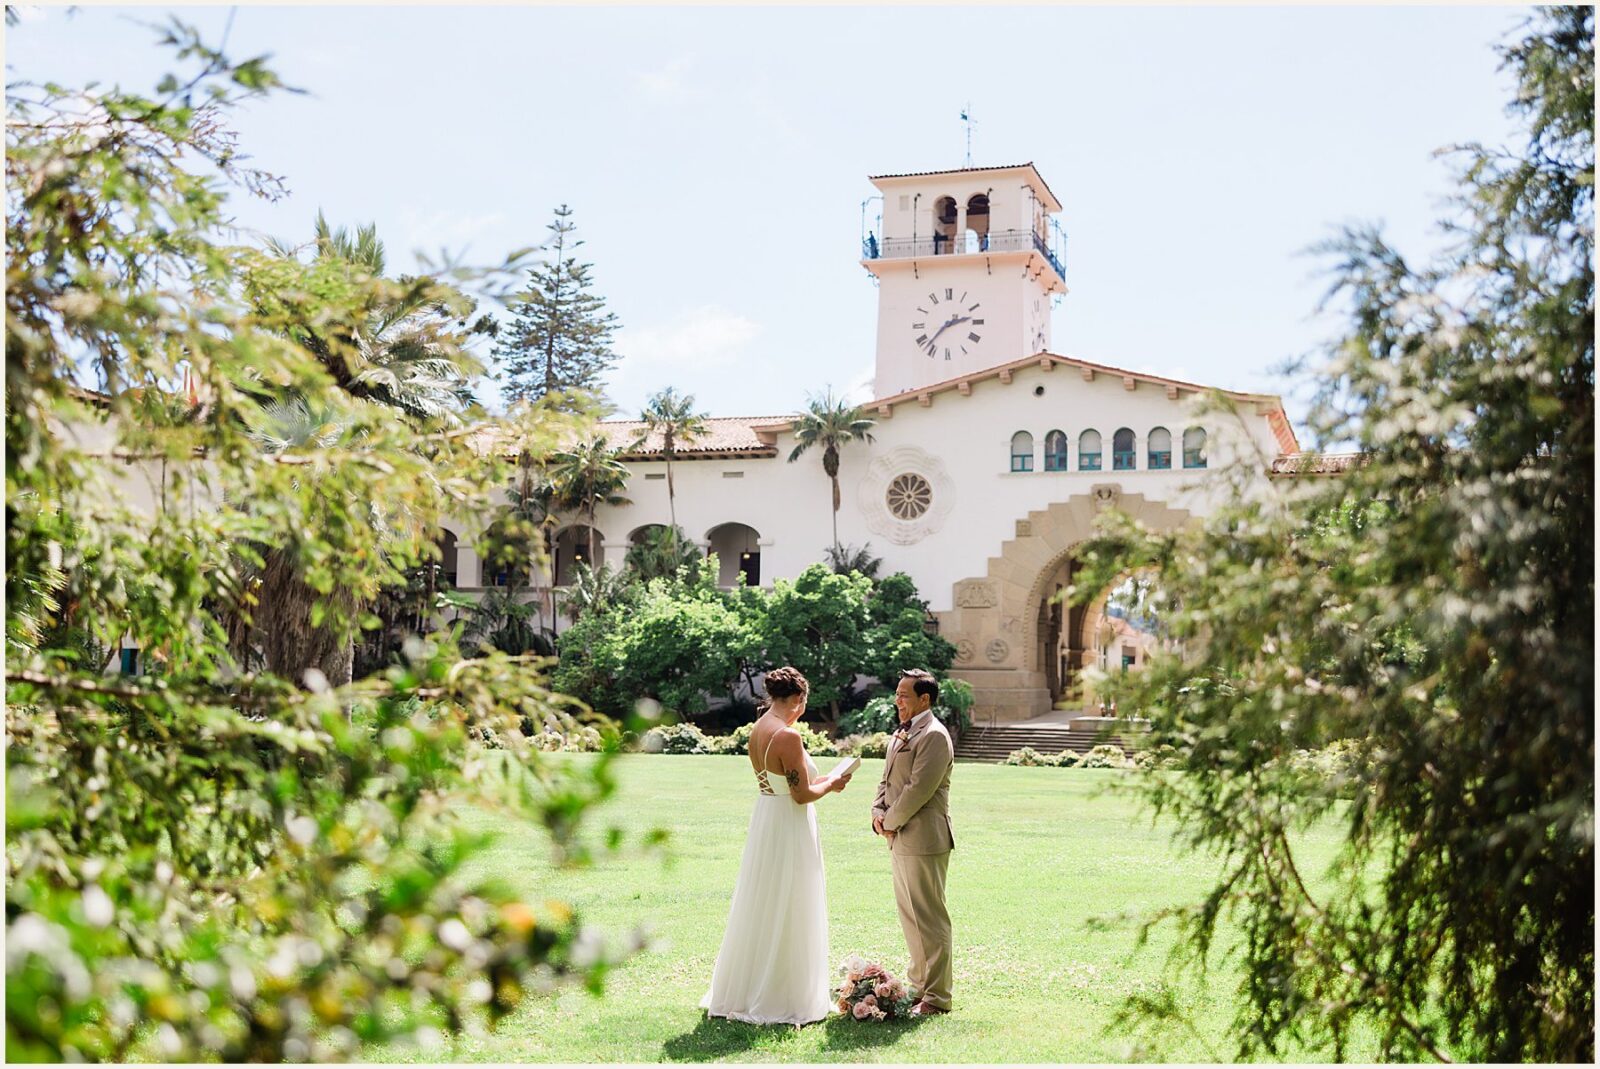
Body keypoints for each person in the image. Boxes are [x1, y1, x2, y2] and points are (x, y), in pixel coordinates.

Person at [700, 666, 854, 1025]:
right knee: (792, 900)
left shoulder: (759, 728)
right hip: (788, 823)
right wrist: (832, 783)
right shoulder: (787, 737)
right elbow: (801, 795)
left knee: (763, 899)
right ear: (799, 700)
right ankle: (784, 993)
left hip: (767, 815)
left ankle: (746, 985)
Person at [871, 668, 955, 1016]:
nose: (897, 701)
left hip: (924, 838)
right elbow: (887, 780)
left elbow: (918, 789)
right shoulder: (902, 732)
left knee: (930, 920)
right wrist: (877, 813)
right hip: (900, 838)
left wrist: (889, 822)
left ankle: (937, 998)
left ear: (925, 699)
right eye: (897, 694)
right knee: (911, 919)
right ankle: (919, 987)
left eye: (904, 695)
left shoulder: (934, 735)